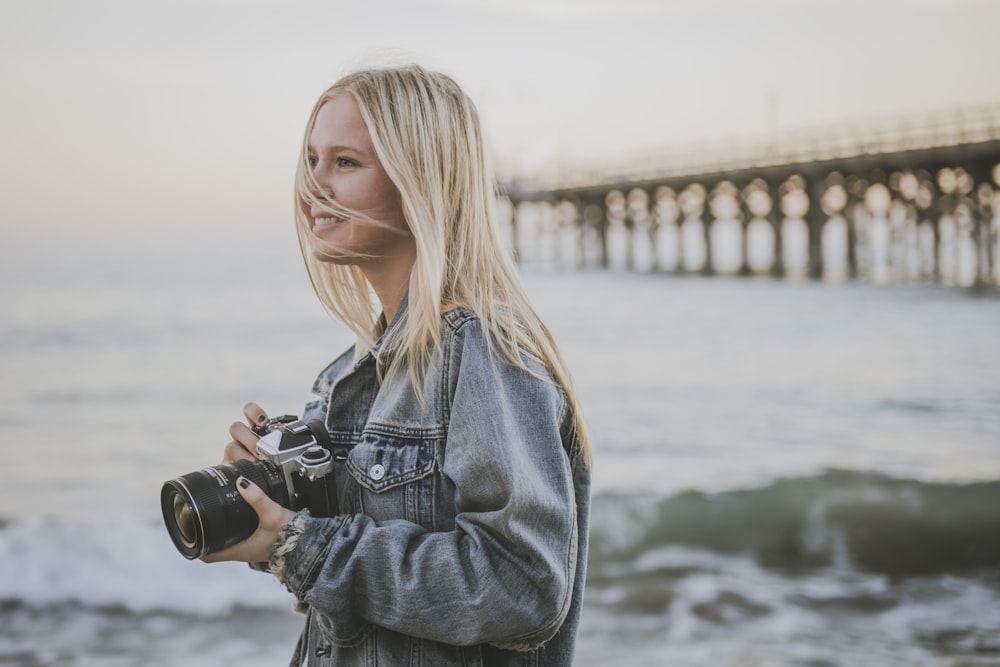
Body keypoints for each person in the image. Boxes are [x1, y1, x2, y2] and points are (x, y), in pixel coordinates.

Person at [201, 63, 591, 666]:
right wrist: (272, 522)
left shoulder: (482, 351)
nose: (312, 186)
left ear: (420, 179)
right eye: (310, 160)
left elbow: (523, 587)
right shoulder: (346, 377)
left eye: (345, 162)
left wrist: (305, 547)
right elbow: (359, 606)